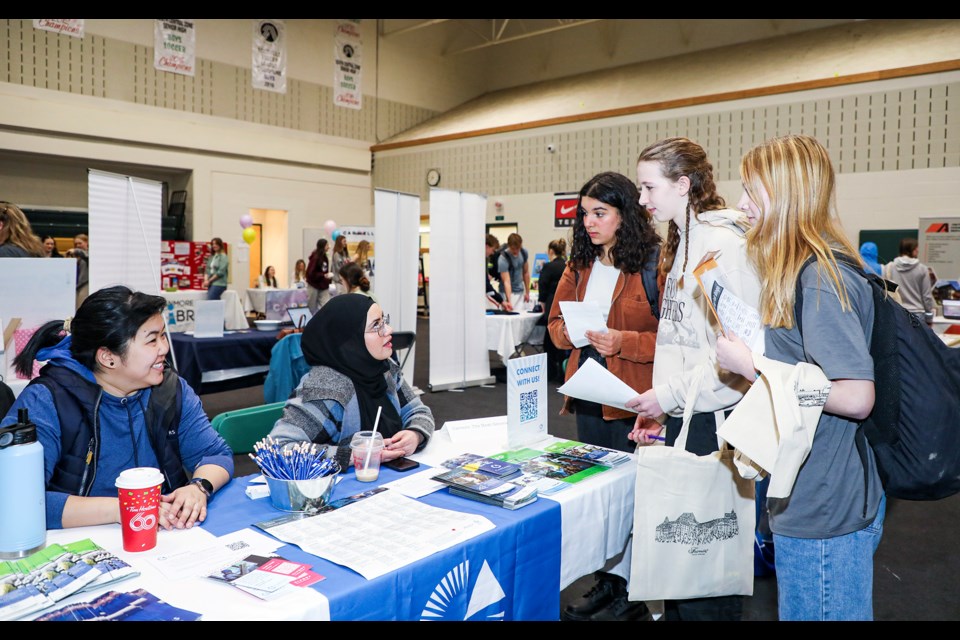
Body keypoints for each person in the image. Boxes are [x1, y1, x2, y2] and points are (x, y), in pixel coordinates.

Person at [715, 134, 883, 621]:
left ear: (787, 193)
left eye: (753, 191)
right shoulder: (805, 270)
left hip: (826, 503)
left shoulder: (817, 276)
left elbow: (856, 396)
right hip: (815, 490)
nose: (742, 204)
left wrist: (753, 367)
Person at [626, 137, 761, 622]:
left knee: (706, 579)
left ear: (683, 185)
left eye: (649, 187)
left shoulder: (723, 246)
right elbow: (683, 344)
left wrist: (666, 396)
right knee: (679, 572)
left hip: (716, 425)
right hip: (687, 417)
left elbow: (738, 362)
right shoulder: (683, 244)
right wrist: (661, 406)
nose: (642, 200)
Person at [0, 285, 234, 530]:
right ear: (108, 357)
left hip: (160, 536)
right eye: (151, 340)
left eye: (163, 335)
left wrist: (198, 487)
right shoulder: (48, 401)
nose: (164, 348)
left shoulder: (170, 390)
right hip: (79, 541)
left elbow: (215, 454)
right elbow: (15, 500)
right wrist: (123, 508)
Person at [548, 172, 661, 621]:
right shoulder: (580, 265)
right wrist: (571, 332)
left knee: (635, 497)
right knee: (600, 497)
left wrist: (623, 342)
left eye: (600, 213)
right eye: (584, 215)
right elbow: (555, 326)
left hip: (634, 400)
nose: (589, 223)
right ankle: (607, 582)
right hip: (588, 394)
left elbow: (675, 341)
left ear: (624, 215)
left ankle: (634, 592)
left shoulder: (654, 264)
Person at [267, 294, 434, 471]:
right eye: (376, 325)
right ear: (350, 340)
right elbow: (278, 449)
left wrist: (415, 434)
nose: (388, 330)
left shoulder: (384, 369)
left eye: (383, 321)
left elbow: (418, 410)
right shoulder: (327, 387)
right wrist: (350, 456)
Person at [536, 238, 568, 383]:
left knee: (549, 341)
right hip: (566, 306)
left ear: (550, 251)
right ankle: (563, 372)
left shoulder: (548, 267)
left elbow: (542, 288)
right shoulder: (568, 265)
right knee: (564, 340)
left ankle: (550, 372)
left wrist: (542, 305)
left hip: (552, 305)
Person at [884, 237, 936, 325]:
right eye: (917, 248)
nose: (918, 251)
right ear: (912, 249)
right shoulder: (922, 269)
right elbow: (926, 297)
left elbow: (886, 291)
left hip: (896, 312)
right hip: (918, 314)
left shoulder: (889, 267)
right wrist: (929, 318)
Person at [498, 232, 530, 311]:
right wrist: (509, 301)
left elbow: (526, 273)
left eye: (518, 248)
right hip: (506, 293)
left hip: (520, 291)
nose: (515, 251)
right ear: (509, 246)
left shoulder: (523, 252)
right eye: (513, 249)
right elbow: (506, 281)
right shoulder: (503, 258)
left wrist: (527, 292)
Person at [306, 238, 332, 314]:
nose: (329, 247)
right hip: (314, 285)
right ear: (322, 246)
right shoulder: (315, 257)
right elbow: (311, 273)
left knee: (326, 304)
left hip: (323, 285)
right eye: (327, 245)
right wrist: (323, 275)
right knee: (312, 306)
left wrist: (325, 277)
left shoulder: (324, 257)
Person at [485, 234, 505, 309]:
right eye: (492, 250)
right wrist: (501, 301)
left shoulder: (485, 259)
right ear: (486, 246)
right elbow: (486, 285)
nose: (493, 253)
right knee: (495, 306)